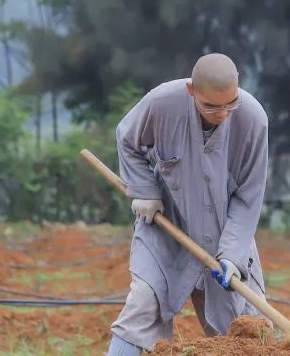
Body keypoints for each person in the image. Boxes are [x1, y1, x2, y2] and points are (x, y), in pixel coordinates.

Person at [106, 53, 270, 355]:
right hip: (168, 227)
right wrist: (145, 190)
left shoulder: (253, 119)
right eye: (211, 106)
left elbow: (249, 195)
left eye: (229, 104)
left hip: (226, 233)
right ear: (191, 91)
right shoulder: (162, 103)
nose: (222, 113)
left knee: (245, 326)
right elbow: (127, 139)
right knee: (143, 303)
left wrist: (233, 255)